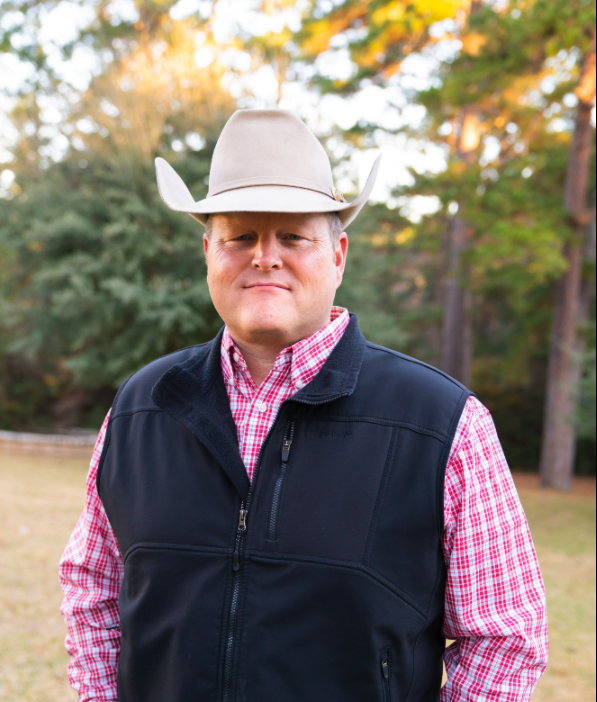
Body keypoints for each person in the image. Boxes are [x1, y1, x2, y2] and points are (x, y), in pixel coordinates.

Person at [59, 109, 548, 702]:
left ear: (339, 255)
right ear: (208, 251)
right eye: (240, 236)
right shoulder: (140, 409)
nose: (265, 256)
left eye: (292, 235)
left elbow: (505, 642)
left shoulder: (444, 424)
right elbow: (93, 591)